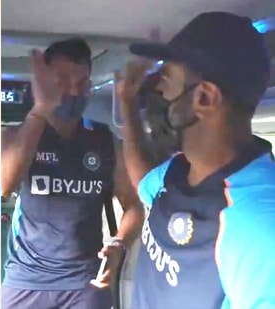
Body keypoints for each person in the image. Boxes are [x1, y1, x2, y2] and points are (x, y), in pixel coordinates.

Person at [117, 11, 275, 309]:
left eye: (166, 80)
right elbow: (143, 183)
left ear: (204, 97)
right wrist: (126, 104)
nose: (159, 91)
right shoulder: (180, 170)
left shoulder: (258, 221)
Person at [0, 38, 144, 309]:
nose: (72, 91)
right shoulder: (18, 136)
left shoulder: (103, 140)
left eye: (81, 83)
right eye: (61, 81)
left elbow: (134, 206)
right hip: (27, 281)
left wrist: (119, 245)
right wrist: (40, 110)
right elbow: (4, 186)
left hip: (86, 282)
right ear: (43, 83)